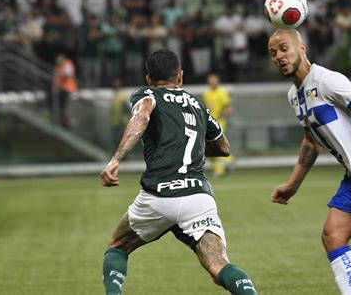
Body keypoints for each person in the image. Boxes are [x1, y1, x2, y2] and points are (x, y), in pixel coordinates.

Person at [100, 49, 257, 295]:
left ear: (149, 79)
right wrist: (189, 145)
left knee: (118, 247)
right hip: (198, 196)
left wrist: (115, 159)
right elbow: (224, 148)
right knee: (218, 266)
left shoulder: (147, 94)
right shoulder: (198, 105)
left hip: (159, 196)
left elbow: (141, 117)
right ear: (180, 77)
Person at [267, 29, 351, 295]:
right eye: (273, 53)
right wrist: (293, 185)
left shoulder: (328, 81)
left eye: (284, 48)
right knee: (332, 236)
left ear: (301, 49)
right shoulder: (295, 96)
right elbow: (310, 140)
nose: (279, 56)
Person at [202, 73, 234, 177]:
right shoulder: (206, 93)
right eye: (210, 81)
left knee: (215, 145)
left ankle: (219, 170)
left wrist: (221, 117)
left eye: (213, 80)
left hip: (219, 122)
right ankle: (229, 160)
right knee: (209, 147)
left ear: (217, 81)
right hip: (209, 122)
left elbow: (227, 107)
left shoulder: (222, 92)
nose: (212, 82)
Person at [53, 54, 78, 128]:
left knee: (66, 107)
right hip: (61, 89)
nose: (58, 62)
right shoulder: (58, 66)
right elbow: (56, 78)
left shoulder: (68, 64)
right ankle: (63, 121)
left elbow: (67, 75)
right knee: (62, 107)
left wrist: (60, 76)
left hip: (68, 89)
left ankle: (67, 122)